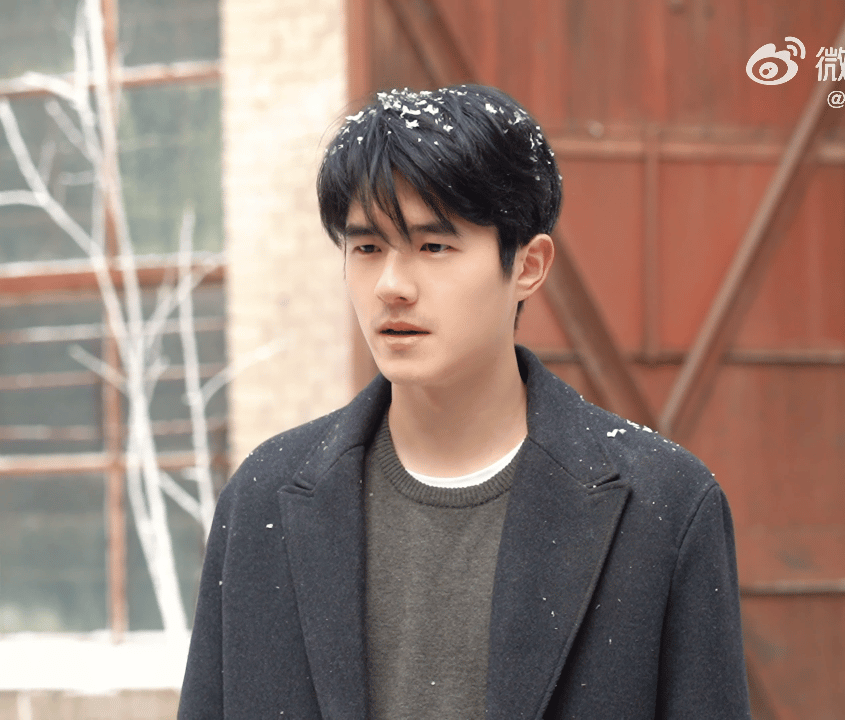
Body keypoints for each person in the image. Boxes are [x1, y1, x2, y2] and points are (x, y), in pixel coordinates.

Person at [178, 85, 750, 720]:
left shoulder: (665, 506)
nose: (391, 286)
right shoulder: (263, 498)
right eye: (366, 248)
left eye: (434, 247)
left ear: (528, 265)